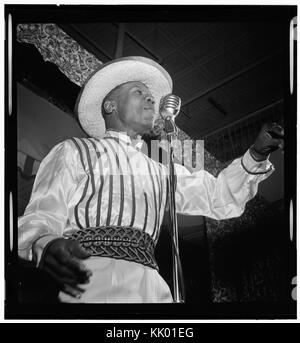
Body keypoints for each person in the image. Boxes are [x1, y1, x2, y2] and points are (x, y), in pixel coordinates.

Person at [18, 56, 284, 303]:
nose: (151, 100)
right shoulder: (75, 150)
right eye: (139, 92)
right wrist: (47, 243)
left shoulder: (159, 170)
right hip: (90, 278)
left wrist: (256, 155)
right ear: (110, 105)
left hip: (154, 287)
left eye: (151, 96)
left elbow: (218, 197)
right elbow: (40, 216)